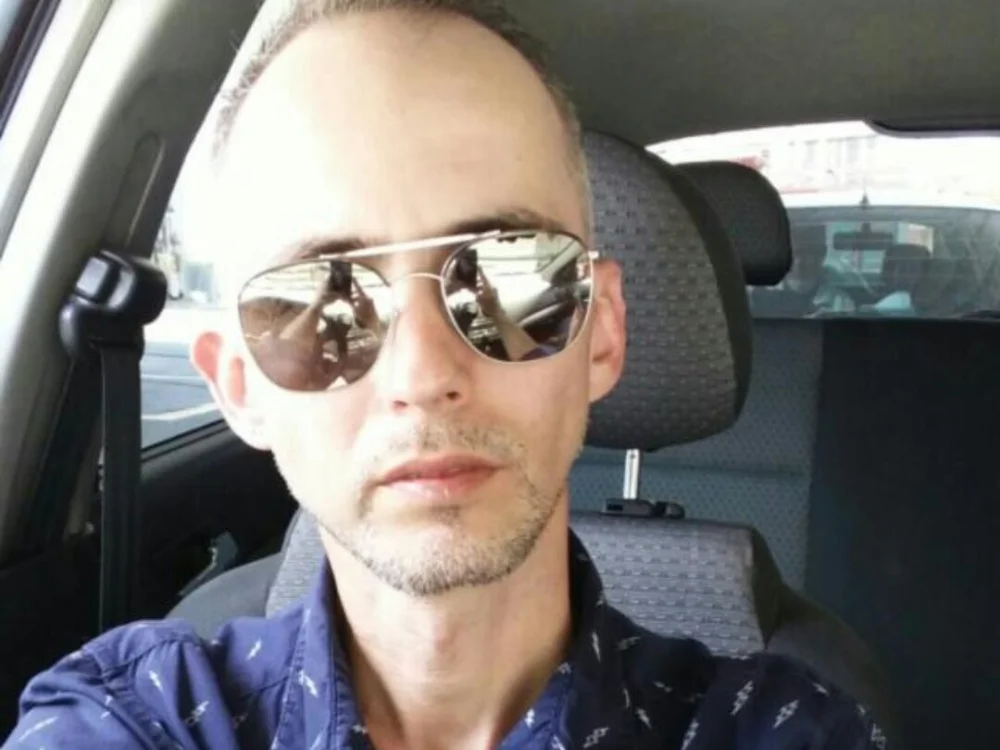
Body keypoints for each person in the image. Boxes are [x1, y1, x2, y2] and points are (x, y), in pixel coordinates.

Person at [4, 1, 888, 748]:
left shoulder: (779, 732)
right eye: (323, 300)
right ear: (240, 385)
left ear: (603, 333)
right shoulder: (135, 719)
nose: (423, 373)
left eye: (510, 276)